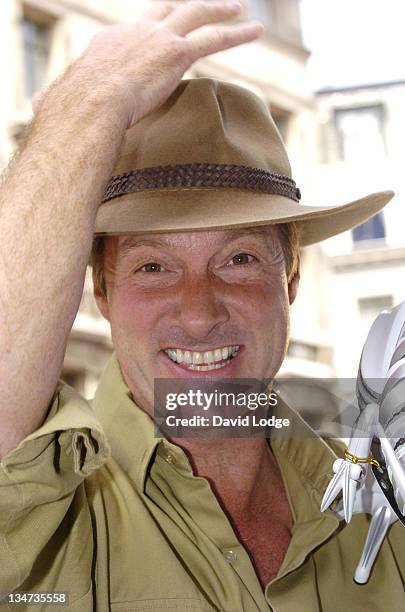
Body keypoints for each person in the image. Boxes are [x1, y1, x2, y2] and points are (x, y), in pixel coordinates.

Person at [0, 2, 403, 610]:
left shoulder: (381, 509)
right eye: (153, 267)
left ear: (290, 278)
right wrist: (87, 103)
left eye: (239, 260)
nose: (197, 312)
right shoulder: (46, 505)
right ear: (101, 291)